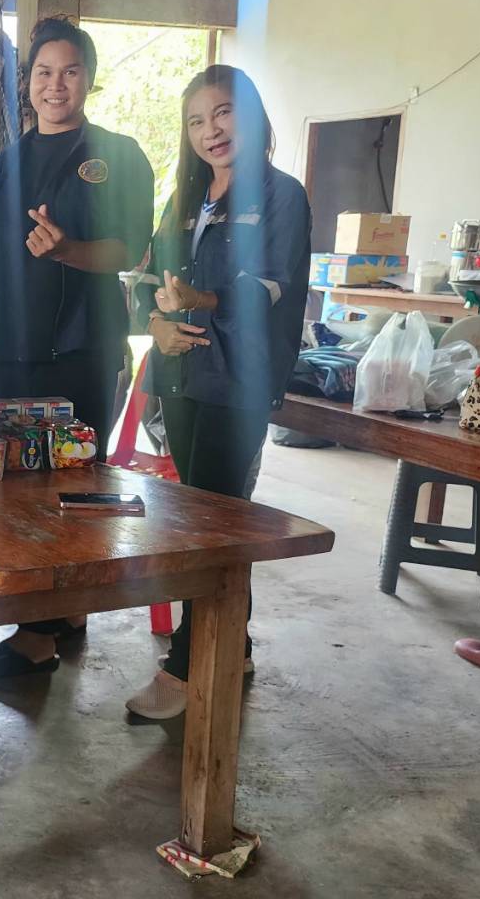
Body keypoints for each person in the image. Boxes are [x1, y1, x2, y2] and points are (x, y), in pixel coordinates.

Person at [0, 18, 156, 680]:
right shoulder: (0, 165)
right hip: (8, 349)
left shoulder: (118, 156)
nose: (55, 85)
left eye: (69, 71)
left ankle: (36, 637)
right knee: (21, 487)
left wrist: (68, 250)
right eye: (43, 72)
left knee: (74, 481)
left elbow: (129, 249)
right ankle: (63, 612)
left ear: (88, 79)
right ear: (28, 83)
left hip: (79, 348)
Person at [123, 64, 311, 720]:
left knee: (210, 524)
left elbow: (271, 287)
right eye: (197, 120)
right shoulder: (186, 198)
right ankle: (235, 645)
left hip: (239, 379)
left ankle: (185, 666)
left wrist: (199, 301)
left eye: (223, 113)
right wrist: (155, 325)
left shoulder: (282, 196)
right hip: (180, 376)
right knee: (206, 519)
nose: (211, 130)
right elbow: (150, 283)